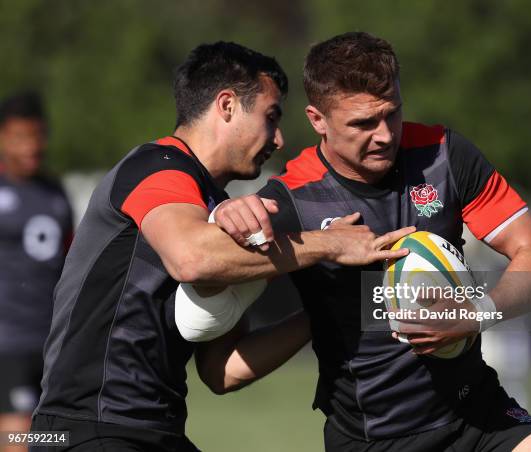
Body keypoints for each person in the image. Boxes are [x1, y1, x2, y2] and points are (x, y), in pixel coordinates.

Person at [30, 41, 411, 452]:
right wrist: (328, 244)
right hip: (88, 428)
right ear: (227, 106)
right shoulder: (158, 167)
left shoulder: (215, 209)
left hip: (151, 432)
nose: (279, 139)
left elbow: (223, 370)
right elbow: (192, 259)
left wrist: (326, 311)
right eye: (271, 117)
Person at [213, 32, 531, 451]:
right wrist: (221, 214)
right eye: (363, 123)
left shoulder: (443, 155)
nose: (384, 135)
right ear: (317, 120)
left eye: (393, 114)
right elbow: (222, 366)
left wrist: (475, 311)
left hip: (479, 413)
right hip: (377, 438)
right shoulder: (291, 202)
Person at [0, 92, 73, 452]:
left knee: (55, 438)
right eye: (20, 137)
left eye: (37, 135)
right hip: (7, 342)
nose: (31, 146)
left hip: (50, 340)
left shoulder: (55, 192)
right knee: (17, 438)